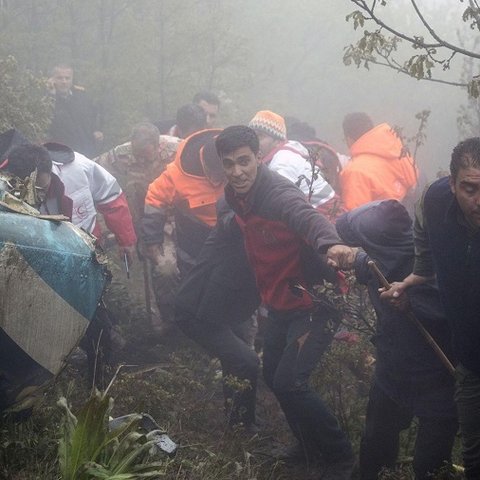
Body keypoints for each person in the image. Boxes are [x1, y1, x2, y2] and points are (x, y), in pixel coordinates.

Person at [216, 125, 356, 478]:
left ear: (258, 158)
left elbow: (307, 217)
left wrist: (330, 245)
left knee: (292, 382)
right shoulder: (235, 195)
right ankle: (307, 446)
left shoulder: (276, 193)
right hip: (281, 300)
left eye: (244, 162)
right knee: (273, 374)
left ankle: (341, 456)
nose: (237, 172)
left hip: (315, 302)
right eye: (229, 164)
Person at [380, 137, 480, 479]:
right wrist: (419, 274)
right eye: (470, 188)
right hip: (471, 361)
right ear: (451, 184)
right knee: (474, 456)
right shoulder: (436, 201)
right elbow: (423, 225)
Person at [336, 200, 457, 480]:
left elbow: (450, 313)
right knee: (376, 448)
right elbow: (347, 232)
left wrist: (410, 303)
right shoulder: (375, 260)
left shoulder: (431, 265)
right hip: (392, 374)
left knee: (430, 466)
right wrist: (355, 257)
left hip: (440, 384)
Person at [175, 198, 260, 429]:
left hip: (225, 309)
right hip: (196, 310)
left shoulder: (260, 237)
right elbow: (228, 217)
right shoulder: (231, 227)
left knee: (236, 361)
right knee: (246, 361)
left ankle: (236, 422)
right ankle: (242, 429)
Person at [95, 123, 181, 333]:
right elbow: (92, 171)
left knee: (183, 270)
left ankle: (185, 317)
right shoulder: (121, 154)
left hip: (177, 218)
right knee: (165, 269)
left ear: (157, 145)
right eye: (137, 155)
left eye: (145, 155)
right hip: (144, 222)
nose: (140, 160)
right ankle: (169, 322)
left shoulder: (176, 149)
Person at [141, 128, 224, 277]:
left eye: (220, 175)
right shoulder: (179, 172)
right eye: (210, 173)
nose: (215, 180)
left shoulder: (240, 159)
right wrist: (152, 239)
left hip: (229, 235)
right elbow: (155, 198)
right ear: (203, 160)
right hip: (190, 237)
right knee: (168, 272)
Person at [43, 142, 136, 261]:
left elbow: (111, 197)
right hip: (47, 258)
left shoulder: (77, 166)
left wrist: (126, 241)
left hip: (90, 251)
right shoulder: (14, 184)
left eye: (42, 186)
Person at [248, 110, 341, 219]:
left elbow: (276, 203)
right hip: (322, 213)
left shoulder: (283, 160)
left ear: (277, 141)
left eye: (260, 136)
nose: (254, 142)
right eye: (252, 136)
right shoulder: (286, 152)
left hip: (328, 217)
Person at [340, 112, 418, 211]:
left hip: (389, 224)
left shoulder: (354, 172)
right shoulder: (396, 148)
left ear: (349, 139)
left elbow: (354, 219)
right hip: (413, 215)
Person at [1, 143, 72, 218]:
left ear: (50, 173)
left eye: (42, 190)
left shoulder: (62, 205)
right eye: (30, 191)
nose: (37, 198)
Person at [47, 64, 103, 158]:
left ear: (72, 79)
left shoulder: (82, 96)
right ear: (52, 80)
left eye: (67, 78)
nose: (64, 81)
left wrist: (97, 130)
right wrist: (52, 95)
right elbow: (49, 122)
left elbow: (94, 115)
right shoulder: (47, 100)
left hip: (86, 151)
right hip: (62, 153)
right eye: (60, 78)